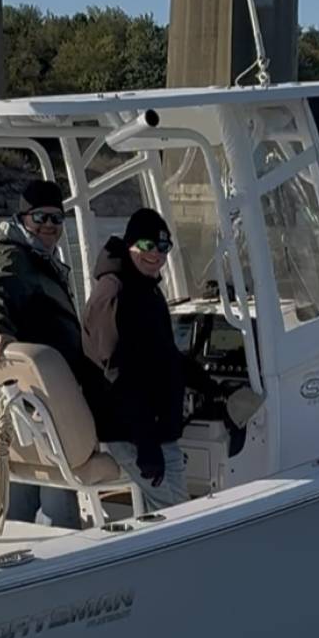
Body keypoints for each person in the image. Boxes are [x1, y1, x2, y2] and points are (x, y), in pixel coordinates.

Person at [0, 179, 101, 529]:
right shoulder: (14, 255)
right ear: (22, 219)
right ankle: (69, 551)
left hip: (24, 395)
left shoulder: (38, 256)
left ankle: (14, 539)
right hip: (39, 394)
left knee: (26, 480)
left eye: (56, 220)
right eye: (40, 218)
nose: (48, 227)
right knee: (57, 480)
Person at [84, 206, 223, 512]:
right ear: (130, 244)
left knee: (169, 512)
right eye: (147, 246)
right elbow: (116, 375)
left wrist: (209, 386)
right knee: (177, 516)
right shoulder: (115, 294)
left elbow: (163, 355)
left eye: (163, 247)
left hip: (158, 430)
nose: (156, 254)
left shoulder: (146, 289)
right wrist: (145, 443)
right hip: (134, 434)